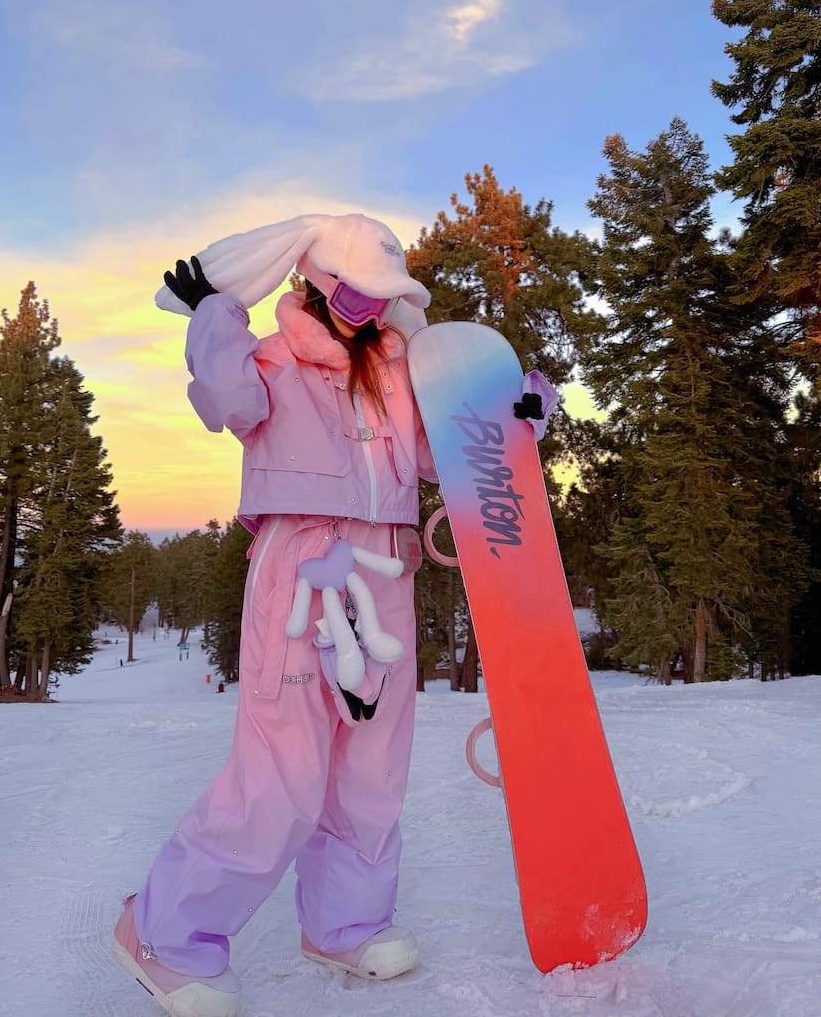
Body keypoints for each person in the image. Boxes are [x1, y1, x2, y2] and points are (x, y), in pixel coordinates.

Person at [110, 213, 554, 1017]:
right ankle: (164, 932)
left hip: (386, 570)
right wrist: (215, 309)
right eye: (350, 287)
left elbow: (438, 455)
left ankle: (345, 925)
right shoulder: (273, 357)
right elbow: (224, 400)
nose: (362, 305)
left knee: (371, 765)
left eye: (378, 293)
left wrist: (517, 411)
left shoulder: (398, 369)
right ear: (313, 279)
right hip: (303, 572)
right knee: (281, 770)